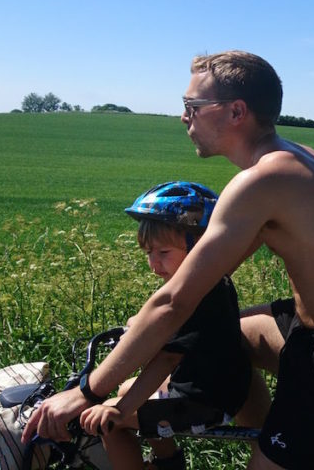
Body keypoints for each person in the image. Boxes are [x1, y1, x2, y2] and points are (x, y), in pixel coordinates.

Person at [23, 50, 314, 470]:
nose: (183, 117)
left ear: (236, 112)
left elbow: (175, 301)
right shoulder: (295, 157)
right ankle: (275, 438)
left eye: (193, 107)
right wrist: (150, 337)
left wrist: (90, 391)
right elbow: (202, 285)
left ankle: (281, 449)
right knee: (227, 336)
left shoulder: (263, 180)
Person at [79, 181, 258, 470]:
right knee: (126, 389)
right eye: (148, 253)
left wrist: (120, 411)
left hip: (204, 403)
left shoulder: (193, 295)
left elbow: (167, 358)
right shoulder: (210, 282)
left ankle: (159, 461)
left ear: (199, 247)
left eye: (163, 253)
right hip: (216, 389)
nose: (153, 264)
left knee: (109, 423)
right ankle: (167, 463)